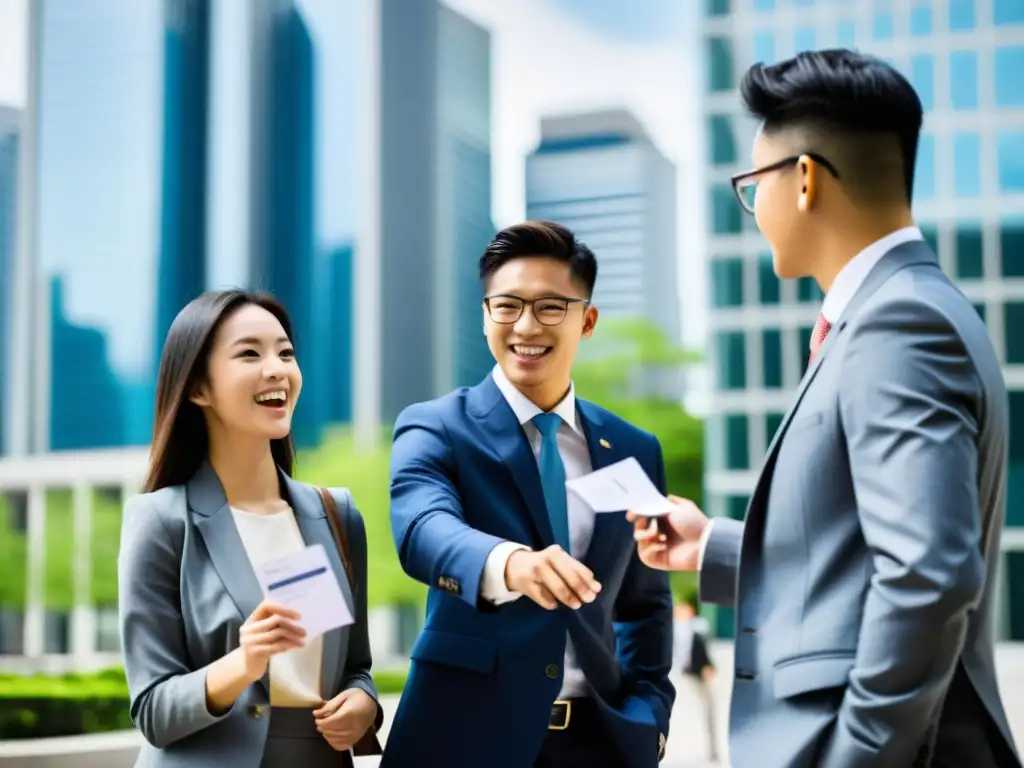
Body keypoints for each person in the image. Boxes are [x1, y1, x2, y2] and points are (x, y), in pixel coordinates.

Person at [631, 49, 1021, 767]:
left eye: (752, 186)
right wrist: (712, 547)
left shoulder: (898, 323)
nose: (752, 210)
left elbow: (927, 575)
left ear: (803, 179)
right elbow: (861, 556)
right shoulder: (906, 310)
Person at [383, 221, 675, 768]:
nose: (525, 325)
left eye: (549, 307)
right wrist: (510, 564)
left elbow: (645, 603)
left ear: (586, 321)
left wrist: (650, 716)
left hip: (600, 744)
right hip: (462, 739)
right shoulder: (435, 426)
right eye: (507, 306)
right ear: (485, 314)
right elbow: (423, 529)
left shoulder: (635, 449)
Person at [117, 290, 383, 767]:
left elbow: (355, 667)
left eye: (285, 352)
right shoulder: (161, 520)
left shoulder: (336, 513)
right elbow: (152, 711)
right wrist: (243, 664)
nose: (277, 368)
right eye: (249, 354)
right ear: (198, 388)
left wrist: (364, 705)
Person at [673, 594, 719, 764]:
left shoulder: (698, 631)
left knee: (708, 708)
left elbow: (704, 652)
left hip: (693, 675)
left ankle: (712, 751)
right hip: (672, 675)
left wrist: (708, 666)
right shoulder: (668, 631)